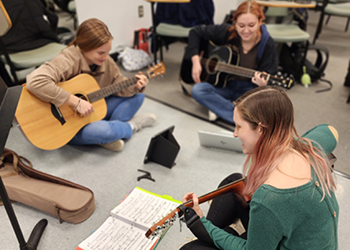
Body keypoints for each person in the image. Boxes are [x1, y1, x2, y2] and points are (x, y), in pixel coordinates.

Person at [180, 86, 339, 250]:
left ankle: (221, 235)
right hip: (298, 236)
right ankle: (224, 234)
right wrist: (300, 144)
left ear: (261, 130)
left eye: (239, 127)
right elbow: (330, 130)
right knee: (235, 182)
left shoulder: (268, 198)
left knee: (190, 249)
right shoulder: (309, 149)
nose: (235, 133)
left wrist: (203, 224)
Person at [26, 18, 157, 152]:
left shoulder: (106, 61)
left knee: (138, 95)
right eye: (101, 53)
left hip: (94, 109)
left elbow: (118, 82)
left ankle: (110, 133)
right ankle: (130, 127)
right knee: (104, 131)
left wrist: (136, 86)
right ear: (84, 47)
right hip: (67, 125)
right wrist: (76, 102)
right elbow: (34, 81)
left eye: (107, 51)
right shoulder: (68, 59)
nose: (106, 57)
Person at [186, 0, 278, 123]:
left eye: (251, 25)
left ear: (260, 22)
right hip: (223, 85)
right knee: (197, 90)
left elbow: (271, 82)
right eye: (241, 25)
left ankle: (220, 109)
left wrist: (263, 86)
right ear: (234, 22)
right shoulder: (227, 32)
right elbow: (195, 32)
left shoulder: (268, 44)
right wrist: (196, 61)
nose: (245, 31)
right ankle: (241, 118)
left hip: (248, 90)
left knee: (265, 107)